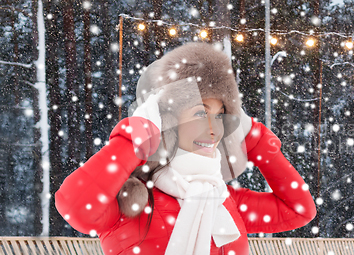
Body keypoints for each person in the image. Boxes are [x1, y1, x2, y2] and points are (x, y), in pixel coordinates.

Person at [55, 42, 316, 255]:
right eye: (201, 114)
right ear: (167, 120)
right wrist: (138, 133)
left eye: (222, 115)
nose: (215, 129)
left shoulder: (224, 200)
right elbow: (76, 205)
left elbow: (300, 210)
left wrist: (257, 141)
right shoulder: (132, 201)